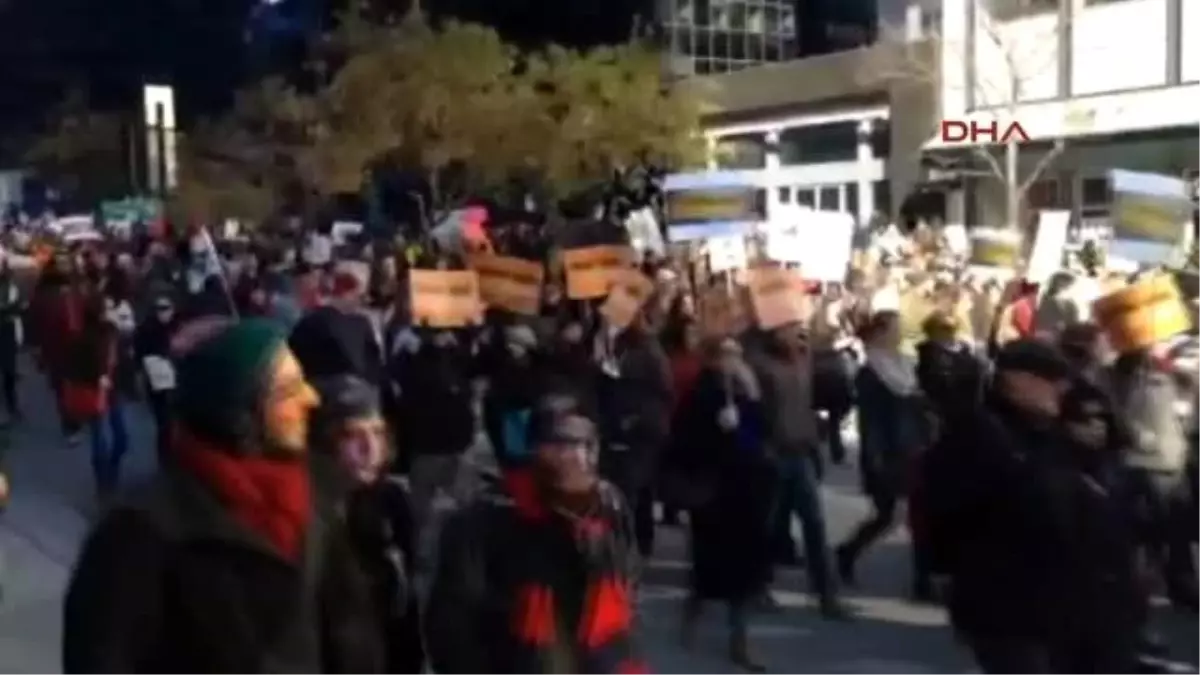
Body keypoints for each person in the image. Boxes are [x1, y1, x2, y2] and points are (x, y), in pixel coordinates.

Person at [62, 318, 384, 675]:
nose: (311, 398)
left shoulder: (315, 501)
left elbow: (351, 640)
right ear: (242, 417)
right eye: (289, 390)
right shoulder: (137, 530)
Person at [426, 393, 645, 675]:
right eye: (565, 444)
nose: (581, 457)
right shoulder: (489, 518)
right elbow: (452, 626)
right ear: (535, 449)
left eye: (589, 444)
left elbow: (628, 585)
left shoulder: (610, 506)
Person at [667, 336, 773, 671]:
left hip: (745, 493)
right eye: (728, 354)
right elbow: (683, 445)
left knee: (745, 572)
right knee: (710, 569)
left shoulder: (744, 393)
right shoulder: (700, 396)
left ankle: (739, 640)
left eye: (738, 354)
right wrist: (717, 433)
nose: (735, 361)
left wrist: (751, 403)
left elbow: (759, 437)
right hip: (713, 494)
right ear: (713, 359)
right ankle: (692, 615)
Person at [309, 375, 425, 675]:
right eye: (351, 435)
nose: (369, 448)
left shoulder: (392, 503)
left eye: (378, 433)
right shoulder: (306, 513)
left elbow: (404, 613)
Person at [836, 311, 930, 600]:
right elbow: (871, 419)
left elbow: (915, 404)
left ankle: (922, 582)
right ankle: (848, 552)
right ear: (879, 334)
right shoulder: (871, 372)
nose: (898, 334)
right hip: (886, 451)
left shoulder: (903, 364)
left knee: (914, 516)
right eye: (894, 329)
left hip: (910, 447)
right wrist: (873, 456)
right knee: (890, 515)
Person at [62, 294, 128, 500]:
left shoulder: (112, 332)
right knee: (101, 438)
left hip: (113, 391)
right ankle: (103, 482)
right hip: (96, 393)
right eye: (108, 308)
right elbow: (75, 369)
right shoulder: (84, 337)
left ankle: (109, 472)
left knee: (120, 437)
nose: (112, 310)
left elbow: (122, 359)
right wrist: (96, 378)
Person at [134, 296, 180, 463]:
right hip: (159, 379)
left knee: (164, 419)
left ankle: (165, 454)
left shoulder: (150, 327)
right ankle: (166, 455)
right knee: (165, 419)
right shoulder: (157, 330)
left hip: (157, 380)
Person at [0, 260, 23, 421]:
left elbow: (15, 307)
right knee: (8, 373)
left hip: (7, 332)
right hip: (7, 331)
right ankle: (11, 408)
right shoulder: (11, 288)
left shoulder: (11, 288)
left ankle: (11, 408)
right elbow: (15, 307)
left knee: (8, 373)